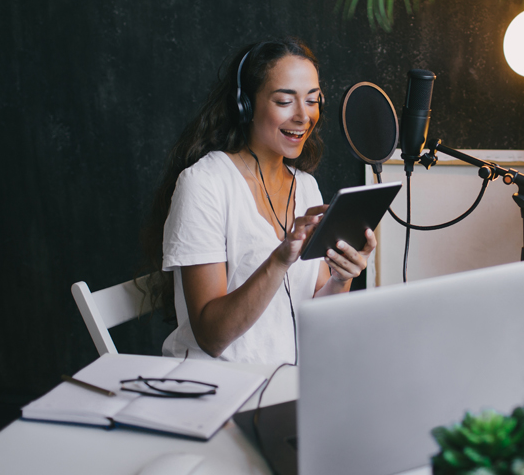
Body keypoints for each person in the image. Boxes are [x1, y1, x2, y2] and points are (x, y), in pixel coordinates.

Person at [142, 38, 375, 365]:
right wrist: (279, 259)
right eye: (284, 101)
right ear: (245, 105)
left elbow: (315, 313)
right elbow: (211, 337)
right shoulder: (203, 185)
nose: (303, 116)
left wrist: (341, 277)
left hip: (288, 382)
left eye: (312, 100)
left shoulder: (306, 187)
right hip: (218, 390)